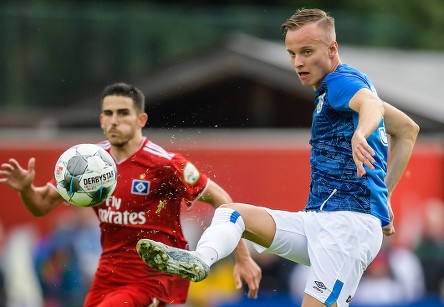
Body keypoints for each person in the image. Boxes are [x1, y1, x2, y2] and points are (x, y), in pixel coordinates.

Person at [137, 8, 420, 307]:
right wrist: (382, 196)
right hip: (318, 221)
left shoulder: (341, 82)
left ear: (332, 48)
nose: (298, 62)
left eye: (307, 51)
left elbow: (371, 106)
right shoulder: (336, 88)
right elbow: (408, 130)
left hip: (346, 230)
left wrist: (361, 133)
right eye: (292, 53)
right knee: (231, 214)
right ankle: (198, 260)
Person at [0, 82, 261, 307]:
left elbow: (222, 200)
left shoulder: (164, 163)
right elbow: (41, 206)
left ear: (141, 119)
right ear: (101, 120)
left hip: (155, 272)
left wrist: (243, 256)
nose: (114, 120)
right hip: (109, 270)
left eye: (123, 113)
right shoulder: (86, 162)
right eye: (108, 114)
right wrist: (26, 190)